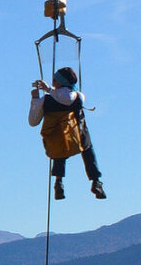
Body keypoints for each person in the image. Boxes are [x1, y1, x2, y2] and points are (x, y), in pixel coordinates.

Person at [29, 64, 102, 199]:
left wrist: (35, 99)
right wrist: (50, 89)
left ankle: (59, 181)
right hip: (79, 139)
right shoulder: (79, 97)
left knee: (59, 141)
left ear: (59, 82)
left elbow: (33, 122)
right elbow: (66, 97)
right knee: (87, 147)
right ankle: (96, 180)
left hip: (58, 142)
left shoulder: (46, 100)